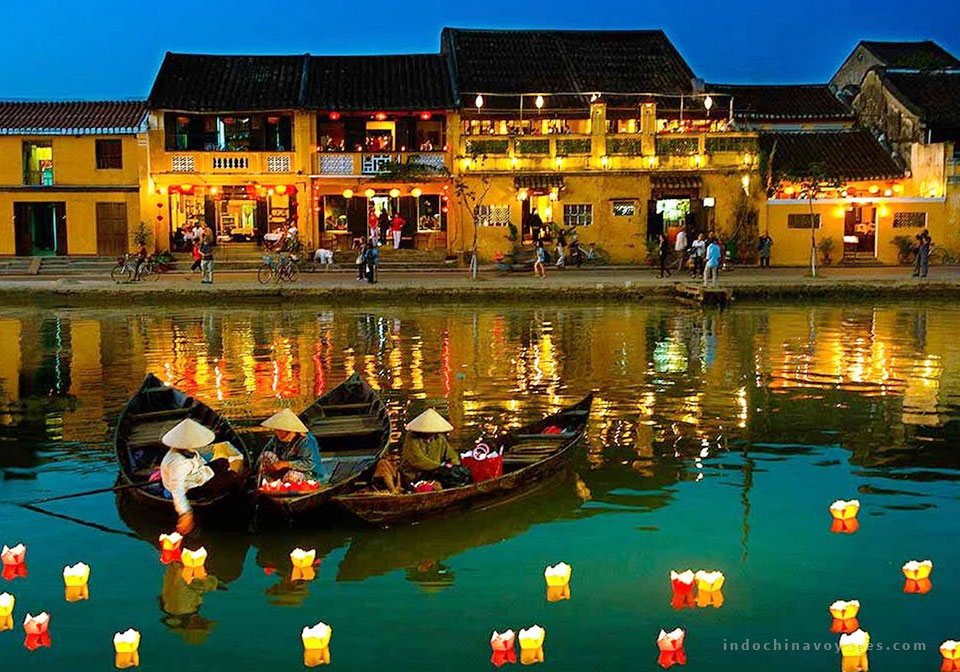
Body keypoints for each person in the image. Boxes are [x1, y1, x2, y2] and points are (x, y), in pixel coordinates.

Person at [159, 418, 241, 535]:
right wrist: (185, 513)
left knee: (223, 462)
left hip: (197, 475)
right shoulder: (178, 462)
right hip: (190, 489)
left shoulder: (188, 451)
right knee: (231, 477)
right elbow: (177, 489)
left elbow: (200, 463)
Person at [400, 408, 465, 486]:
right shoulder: (412, 438)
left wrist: (454, 465)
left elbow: (450, 454)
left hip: (434, 473)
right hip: (414, 476)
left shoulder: (439, 438)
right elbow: (417, 459)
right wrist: (439, 466)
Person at [257, 409, 323, 483]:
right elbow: (265, 453)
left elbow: (310, 463)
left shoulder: (306, 440)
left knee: (291, 477)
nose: (275, 432)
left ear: (288, 430)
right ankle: (270, 483)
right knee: (266, 455)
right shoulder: (276, 439)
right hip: (282, 471)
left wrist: (285, 464)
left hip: (306, 473)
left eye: (278, 430)